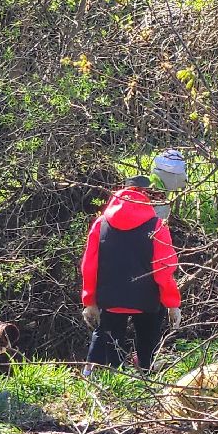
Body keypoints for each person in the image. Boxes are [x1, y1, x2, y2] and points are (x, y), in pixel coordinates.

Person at [80, 156, 184, 372]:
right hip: (147, 300)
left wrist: (89, 301)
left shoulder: (101, 223)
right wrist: (172, 304)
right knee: (148, 341)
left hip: (111, 299)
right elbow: (164, 270)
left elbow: (89, 265)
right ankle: (145, 372)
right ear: (146, 196)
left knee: (109, 349)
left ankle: (96, 378)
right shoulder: (157, 226)